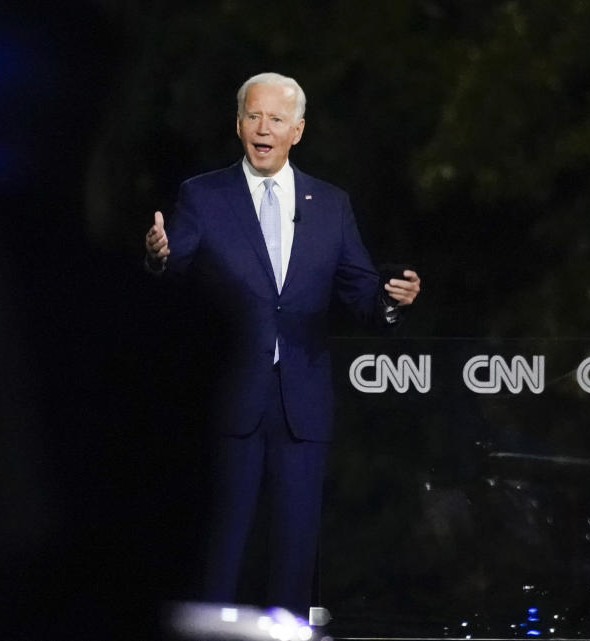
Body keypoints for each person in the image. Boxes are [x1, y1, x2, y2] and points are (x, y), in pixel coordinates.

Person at [143, 72, 421, 616]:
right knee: (220, 549)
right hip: (229, 394)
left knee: (296, 552)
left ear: (297, 130)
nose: (263, 128)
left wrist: (394, 297)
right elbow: (176, 264)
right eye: (253, 116)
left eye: (276, 118)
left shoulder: (331, 203)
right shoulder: (203, 194)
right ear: (238, 125)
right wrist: (159, 254)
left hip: (303, 398)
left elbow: (360, 289)